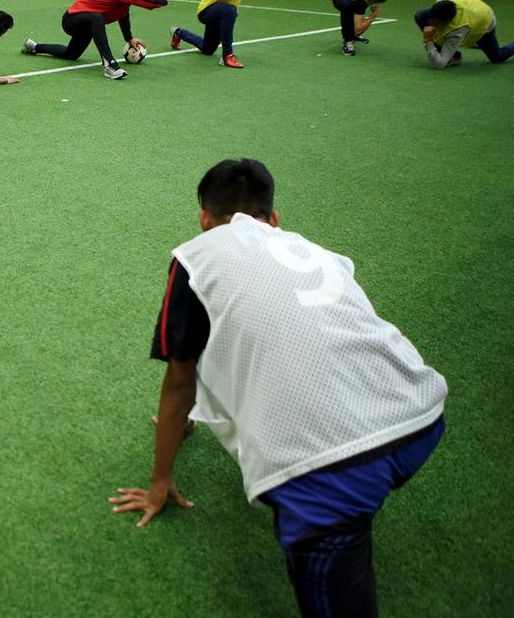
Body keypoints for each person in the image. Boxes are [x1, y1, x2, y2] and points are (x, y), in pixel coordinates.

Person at [109, 159, 447, 617]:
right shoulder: (313, 249)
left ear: (204, 219)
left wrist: (158, 483)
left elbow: (179, 380)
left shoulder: (196, 257)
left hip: (329, 468)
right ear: (274, 218)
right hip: (419, 414)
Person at [21, 0, 168, 80]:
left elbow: (123, 13)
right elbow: (151, 3)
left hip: (86, 25)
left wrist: (129, 38)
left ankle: (33, 47)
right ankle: (110, 65)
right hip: (72, 20)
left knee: (71, 54)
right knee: (97, 18)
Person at [415, 0, 514, 69]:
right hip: (472, 9)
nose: (430, 26)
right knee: (420, 15)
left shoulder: (458, 30)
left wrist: (428, 41)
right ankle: (454, 55)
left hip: (485, 21)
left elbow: (440, 65)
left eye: (435, 25)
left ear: (446, 22)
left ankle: (478, 41)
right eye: (430, 22)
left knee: (497, 57)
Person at [329, 0, 395, 56]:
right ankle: (348, 40)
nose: (376, 2)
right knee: (348, 7)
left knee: (356, 13)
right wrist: (373, 15)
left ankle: (352, 36)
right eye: (375, 0)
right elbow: (358, 30)